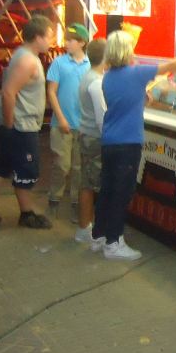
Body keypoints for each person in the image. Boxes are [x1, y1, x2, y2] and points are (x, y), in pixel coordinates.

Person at [94, 31, 176, 260]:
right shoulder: (136, 73)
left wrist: (141, 97)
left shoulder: (107, 77)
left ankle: (99, 235)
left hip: (109, 141)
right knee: (122, 193)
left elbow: (122, 102)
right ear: (125, 51)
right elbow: (171, 66)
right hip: (128, 142)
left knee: (107, 190)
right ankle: (113, 243)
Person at [0, 15, 57, 229]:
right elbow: (9, 93)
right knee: (26, 168)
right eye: (49, 36)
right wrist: (10, 125)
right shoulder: (27, 61)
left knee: (3, 164)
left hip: (16, 123)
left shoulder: (25, 56)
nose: (52, 41)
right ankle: (27, 212)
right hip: (21, 125)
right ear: (37, 37)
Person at [46, 22, 91, 211]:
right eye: (66, 39)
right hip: (61, 124)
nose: (66, 43)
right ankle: (54, 198)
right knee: (61, 165)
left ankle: (75, 201)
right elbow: (51, 91)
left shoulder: (90, 65)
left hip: (82, 125)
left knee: (79, 167)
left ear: (82, 43)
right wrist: (61, 118)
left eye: (71, 40)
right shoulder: (59, 63)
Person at [75, 38, 108, 243]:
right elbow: (101, 117)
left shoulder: (89, 76)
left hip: (87, 135)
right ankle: (86, 229)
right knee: (92, 185)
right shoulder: (96, 82)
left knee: (87, 182)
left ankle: (86, 227)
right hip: (95, 138)